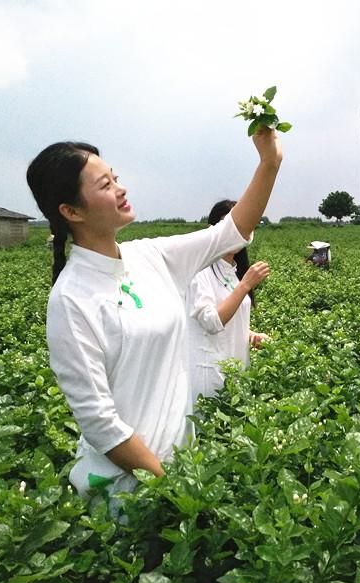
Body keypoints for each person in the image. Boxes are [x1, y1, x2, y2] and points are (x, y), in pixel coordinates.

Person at [26, 129, 282, 504]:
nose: (121, 189)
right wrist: (169, 488)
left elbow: (230, 232)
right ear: (71, 211)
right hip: (127, 494)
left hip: (180, 469)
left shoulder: (150, 257)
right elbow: (100, 424)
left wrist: (269, 162)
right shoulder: (71, 299)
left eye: (115, 177)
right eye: (105, 185)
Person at [187, 199, 270, 403]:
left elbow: (231, 319)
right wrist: (246, 285)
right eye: (229, 225)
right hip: (211, 377)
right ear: (212, 229)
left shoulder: (233, 272)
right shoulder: (201, 271)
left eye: (242, 226)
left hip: (237, 372)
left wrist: (250, 335)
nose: (236, 231)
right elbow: (211, 321)